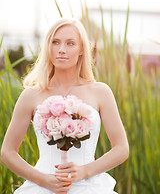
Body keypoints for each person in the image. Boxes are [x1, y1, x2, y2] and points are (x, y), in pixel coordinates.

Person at [1, 18, 129, 194]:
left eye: (70, 43)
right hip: (43, 187)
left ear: (82, 49)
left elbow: (122, 149)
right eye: (55, 42)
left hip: (90, 187)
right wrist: (42, 179)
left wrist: (85, 171)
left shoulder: (101, 92)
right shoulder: (30, 95)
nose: (61, 49)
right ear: (48, 47)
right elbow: (7, 152)